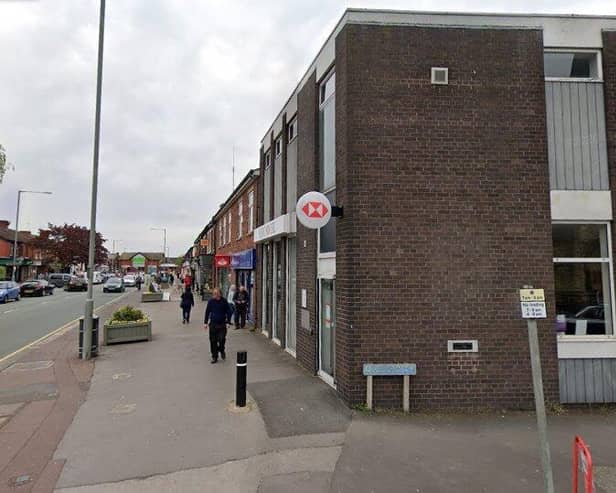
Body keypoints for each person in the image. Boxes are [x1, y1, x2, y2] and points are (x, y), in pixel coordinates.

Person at [204, 288, 230, 363]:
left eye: (216, 293)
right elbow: (207, 312)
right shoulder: (211, 301)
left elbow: (228, 311)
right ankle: (214, 356)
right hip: (213, 324)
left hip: (222, 324)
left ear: (219, 294)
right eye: (213, 293)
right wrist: (205, 323)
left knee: (221, 339)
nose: (214, 295)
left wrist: (228, 322)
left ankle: (221, 350)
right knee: (213, 341)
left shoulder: (224, 301)